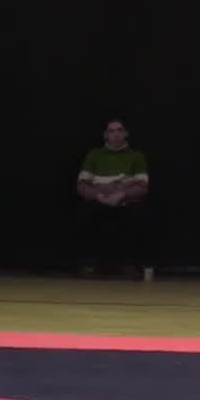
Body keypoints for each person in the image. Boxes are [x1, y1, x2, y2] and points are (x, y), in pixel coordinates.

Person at [76, 117, 152, 279]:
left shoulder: (136, 156)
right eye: (111, 131)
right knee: (84, 213)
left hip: (125, 202)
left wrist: (122, 195)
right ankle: (89, 265)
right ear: (105, 135)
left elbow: (142, 187)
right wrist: (100, 195)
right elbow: (82, 185)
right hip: (99, 201)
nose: (115, 134)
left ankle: (129, 265)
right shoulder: (94, 155)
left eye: (119, 130)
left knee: (139, 214)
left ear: (126, 134)